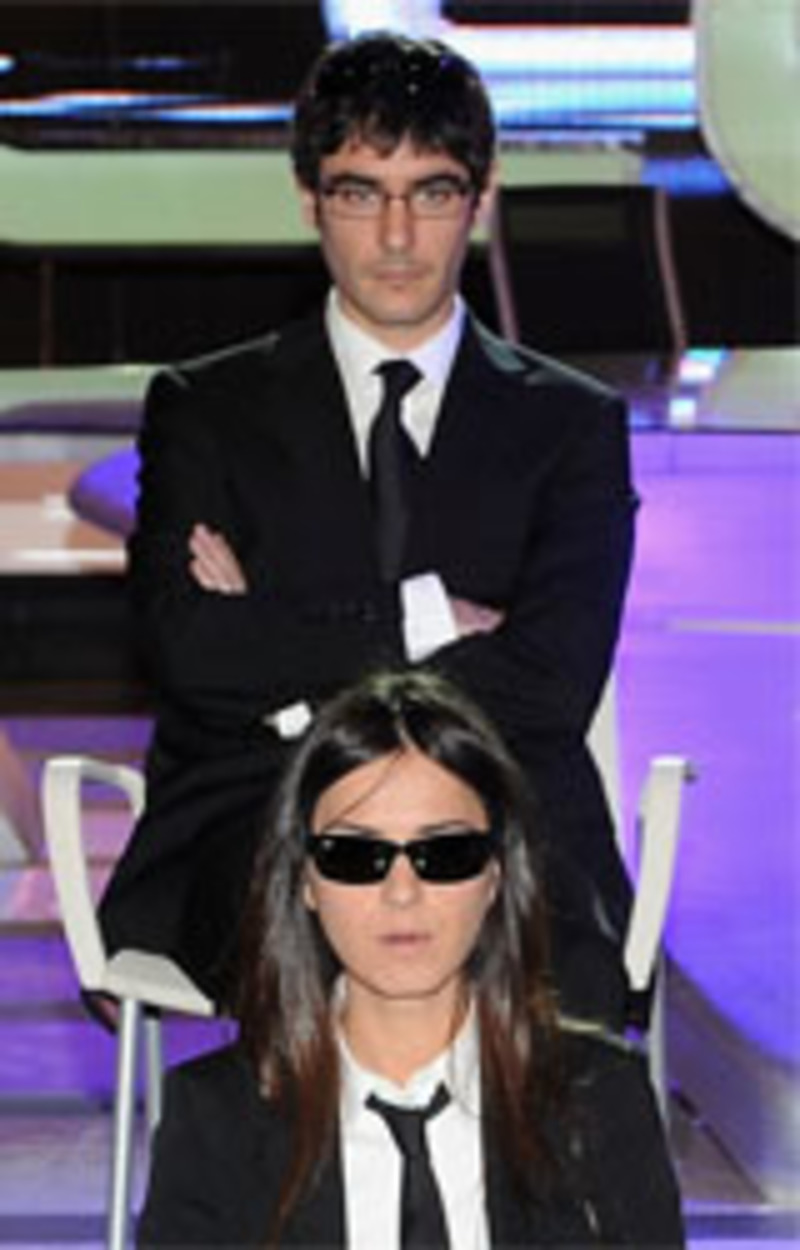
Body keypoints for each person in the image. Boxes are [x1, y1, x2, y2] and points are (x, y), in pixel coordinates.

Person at [98, 31, 637, 1024]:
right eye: (359, 193)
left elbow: (551, 683)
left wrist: (288, 672)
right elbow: (189, 651)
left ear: (481, 198)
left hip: (500, 814)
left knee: (528, 958)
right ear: (310, 200)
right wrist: (424, 617)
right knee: (325, 928)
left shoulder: (571, 424)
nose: (395, 235)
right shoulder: (207, 407)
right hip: (259, 816)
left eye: (430, 192)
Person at [137, 669, 684, 1248]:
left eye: (445, 853)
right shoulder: (215, 1120)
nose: (402, 892)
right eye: (355, 855)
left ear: (495, 874)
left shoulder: (599, 1100)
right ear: (304, 880)